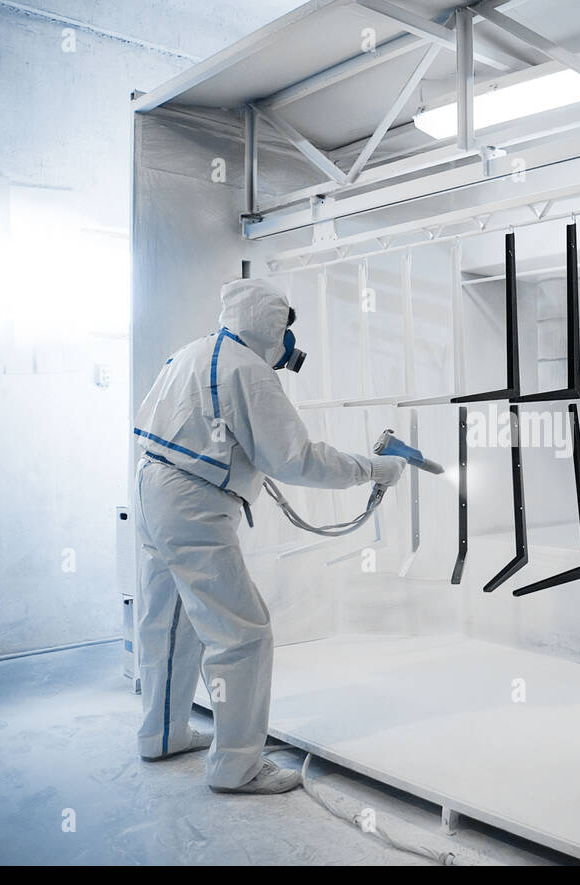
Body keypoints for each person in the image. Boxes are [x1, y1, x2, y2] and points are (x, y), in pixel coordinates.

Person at [131, 277, 406, 794]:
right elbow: (297, 460)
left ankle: (160, 735)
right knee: (243, 633)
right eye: (284, 329)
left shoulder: (192, 353)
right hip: (194, 502)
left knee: (167, 621)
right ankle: (237, 767)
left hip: (153, 487)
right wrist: (374, 468)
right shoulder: (250, 373)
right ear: (270, 325)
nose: (287, 346)